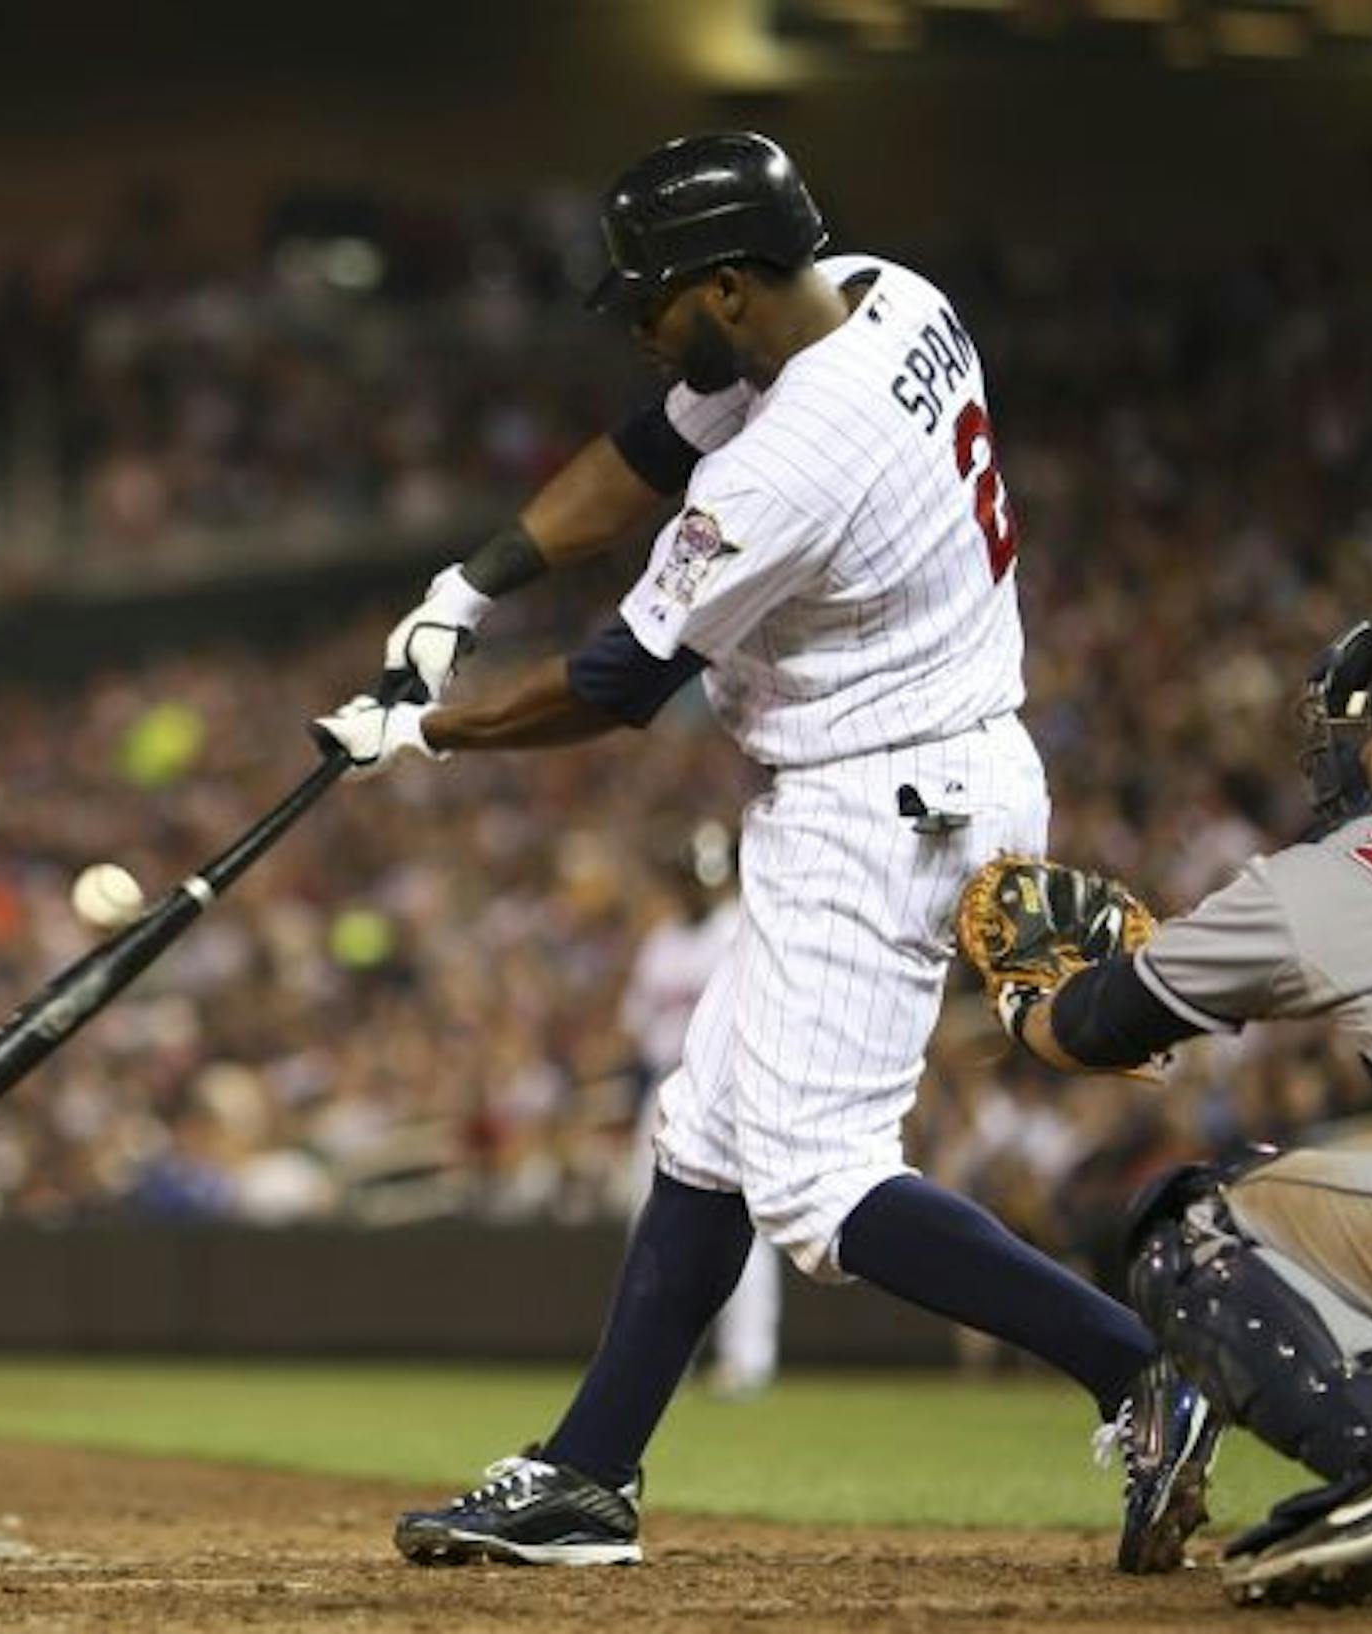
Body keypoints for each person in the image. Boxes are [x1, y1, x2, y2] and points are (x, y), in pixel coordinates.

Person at [311, 130, 1216, 1574]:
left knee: (816, 1182)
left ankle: (1142, 1371)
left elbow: (617, 683)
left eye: (653, 296)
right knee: (707, 1133)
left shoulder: (797, 460)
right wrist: (466, 587)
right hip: (917, 765)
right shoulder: (882, 290)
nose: (637, 320)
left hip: (881, 800)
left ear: (729, 286)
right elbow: (648, 446)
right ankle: (588, 1473)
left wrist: (425, 732)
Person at [991, 616, 1372, 1605]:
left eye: (1344, 736)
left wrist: (1025, 1000)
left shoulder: (1333, 877)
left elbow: (1097, 1024)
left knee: (1198, 1220)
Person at [619, 822, 780, 1399]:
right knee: (648, 1223)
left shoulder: (742, 928)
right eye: (688, 877)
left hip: (731, 1088)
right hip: (665, 1086)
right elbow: (635, 1024)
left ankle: (748, 1358)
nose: (695, 887)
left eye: (705, 877)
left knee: (739, 1223)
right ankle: (658, 1359)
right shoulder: (661, 941)